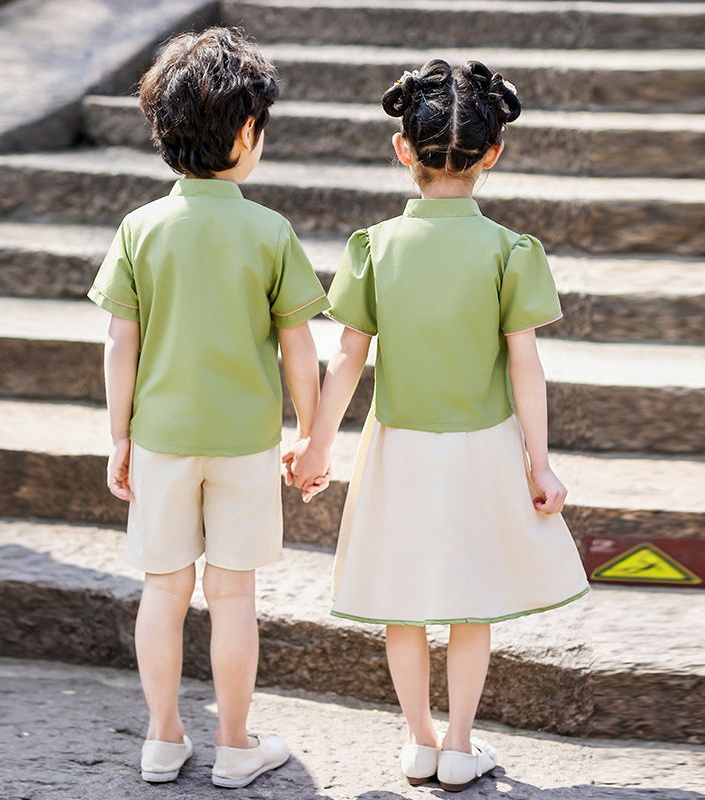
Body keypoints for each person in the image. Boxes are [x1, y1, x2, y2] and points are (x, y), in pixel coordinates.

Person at [285, 59, 590, 792]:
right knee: (470, 600)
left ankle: (418, 739)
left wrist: (317, 442)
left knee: (405, 600)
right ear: (493, 154)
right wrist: (539, 462)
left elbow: (348, 355)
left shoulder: (375, 247)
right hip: (484, 448)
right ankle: (459, 743)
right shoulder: (510, 252)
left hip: (399, 447)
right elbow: (526, 366)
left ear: (403, 151)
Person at [88, 27, 330, 789]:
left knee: (163, 591)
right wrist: (312, 436)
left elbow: (118, 344)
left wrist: (118, 436)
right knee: (233, 597)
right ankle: (234, 745)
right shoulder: (269, 232)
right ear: (248, 130)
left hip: (160, 437)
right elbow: (299, 347)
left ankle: (163, 739)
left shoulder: (140, 228)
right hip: (245, 444)